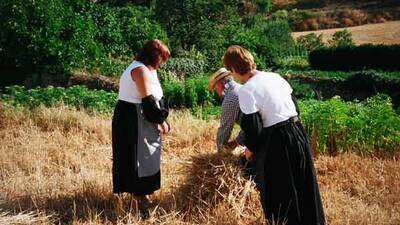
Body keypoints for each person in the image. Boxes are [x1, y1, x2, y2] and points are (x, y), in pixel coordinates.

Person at [223, 45, 325, 225]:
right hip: (298, 133)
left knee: (281, 195)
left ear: (233, 70)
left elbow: (254, 129)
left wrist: (250, 150)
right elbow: (295, 107)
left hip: (279, 142)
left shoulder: (247, 90)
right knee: (304, 188)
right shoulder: (275, 77)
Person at [112, 39, 171, 218]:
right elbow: (148, 101)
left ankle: (142, 196)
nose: (162, 63)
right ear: (155, 56)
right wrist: (161, 121)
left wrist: (161, 118)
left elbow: (154, 99)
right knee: (139, 157)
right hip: (133, 119)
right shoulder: (139, 70)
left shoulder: (147, 69)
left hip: (140, 116)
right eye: (162, 59)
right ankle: (140, 200)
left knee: (144, 156)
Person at [208, 68, 244, 152]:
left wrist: (220, 151)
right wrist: (236, 142)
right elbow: (250, 127)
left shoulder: (230, 97)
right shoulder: (240, 88)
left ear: (222, 83)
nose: (216, 92)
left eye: (215, 88)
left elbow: (225, 128)